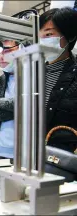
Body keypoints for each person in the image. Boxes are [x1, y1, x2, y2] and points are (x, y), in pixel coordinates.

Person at [39, 7, 77, 152]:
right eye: (39, 36)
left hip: (63, 158)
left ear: (71, 36)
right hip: (29, 155)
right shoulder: (32, 73)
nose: (42, 41)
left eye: (49, 34)